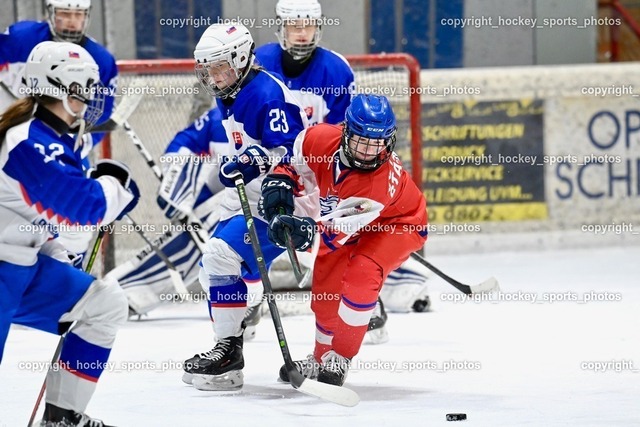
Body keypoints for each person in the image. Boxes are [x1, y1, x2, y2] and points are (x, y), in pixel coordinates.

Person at [0, 41, 138, 426]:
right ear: (57, 88)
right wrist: (115, 187)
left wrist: (54, 250)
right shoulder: (28, 141)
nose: (90, 99)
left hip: (19, 269)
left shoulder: (54, 136)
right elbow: (83, 208)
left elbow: (32, 213)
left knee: (103, 302)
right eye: (83, 91)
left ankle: (62, 416)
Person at [259, 94, 428, 386]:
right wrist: (281, 180)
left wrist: (303, 229)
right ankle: (320, 356)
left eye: (377, 144)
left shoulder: (375, 183)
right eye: (362, 141)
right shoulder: (320, 138)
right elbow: (292, 163)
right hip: (348, 218)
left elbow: (331, 233)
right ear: (345, 132)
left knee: (362, 270)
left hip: (399, 223)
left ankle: (340, 357)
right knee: (326, 284)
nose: (368, 152)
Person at [180, 23, 307, 392]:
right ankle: (236, 331)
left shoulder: (268, 95)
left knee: (220, 256)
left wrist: (258, 159)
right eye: (208, 69)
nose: (213, 77)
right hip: (249, 194)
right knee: (212, 270)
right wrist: (245, 159)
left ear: (240, 59)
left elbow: (292, 153)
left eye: (219, 67)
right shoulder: (232, 89)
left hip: (282, 198)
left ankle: (228, 353)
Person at [0, 0, 119, 257]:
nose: (72, 21)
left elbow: (101, 113)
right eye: (65, 13)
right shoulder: (22, 38)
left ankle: (65, 268)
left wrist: (79, 142)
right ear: (50, 14)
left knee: (72, 220)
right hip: (16, 140)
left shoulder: (100, 59)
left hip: (62, 144)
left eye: (78, 14)